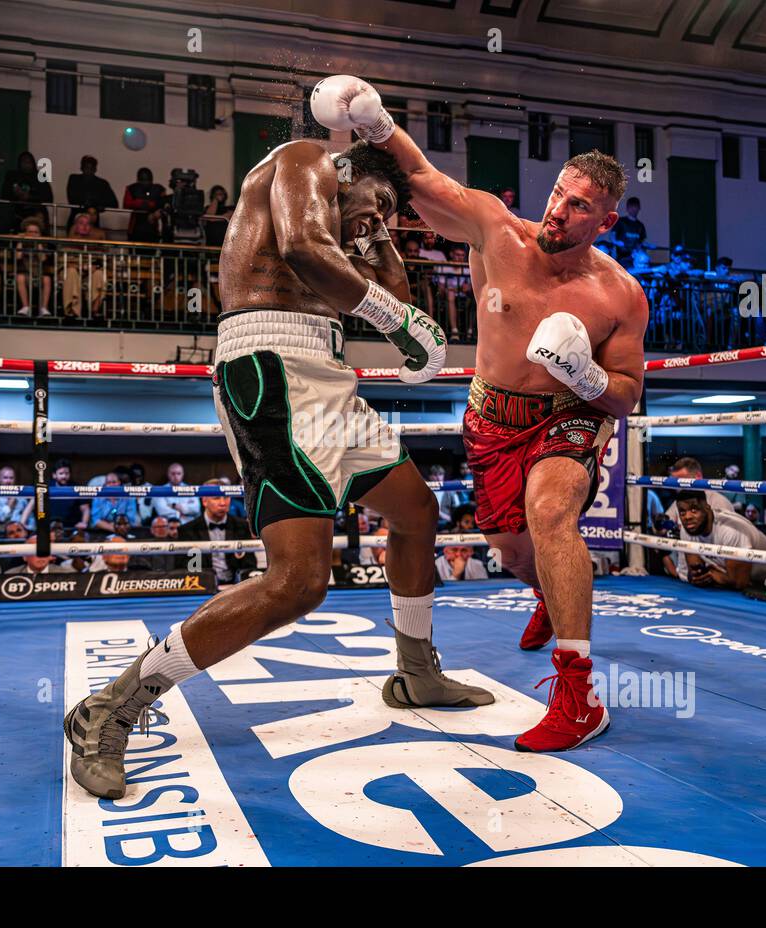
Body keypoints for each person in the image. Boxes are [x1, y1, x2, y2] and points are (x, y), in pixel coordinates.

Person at [64, 135, 489, 801]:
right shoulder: (307, 159)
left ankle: (414, 671)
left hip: (328, 376)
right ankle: (111, 708)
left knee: (417, 511)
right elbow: (301, 247)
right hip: (269, 365)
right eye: (373, 204)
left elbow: (398, 301)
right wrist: (393, 312)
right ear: (350, 173)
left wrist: (380, 236)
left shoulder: (354, 227)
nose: (372, 221)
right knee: (299, 582)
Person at [328, 75, 650, 752]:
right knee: (513, 551)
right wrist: (377, 125)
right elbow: (420, 178)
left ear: (606, 221)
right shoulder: (496, 231)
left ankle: (578, 693)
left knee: (551, 511)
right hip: (491, 420)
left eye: (580, 205)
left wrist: (584, 373)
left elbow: (626, 395)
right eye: (560, 192)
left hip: (569, 413)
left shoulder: (620, 295)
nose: (561, 209)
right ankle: (546, 593)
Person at [667, 490, 766, 589]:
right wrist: (699, 576)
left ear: (707, 507)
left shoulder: (730, 530)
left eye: (694, 510)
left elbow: (740, 582)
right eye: (682, 512)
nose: (687, 517)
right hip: (744, 581)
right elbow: (695, 572)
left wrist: (713, 574)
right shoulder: (689, 529)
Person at [175, 480, 257, 585]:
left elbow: (250, 564)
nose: (223, 503)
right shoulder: (188, 530)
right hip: (202, 587)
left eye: (226, 497)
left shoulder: (241, 526)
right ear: (204, 501)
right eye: (216, 498)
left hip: (236, 587)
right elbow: (183, 569)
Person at [64, 155, 117, 227]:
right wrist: (95, 203)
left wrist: (98, 205)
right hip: (76, 220)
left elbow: (114, 203)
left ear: (95, 169)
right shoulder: (74, 179)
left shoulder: (102, 183)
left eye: (91, 169)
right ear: (81, 168)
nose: (89, 171)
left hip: (93, 223)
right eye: (87, 168)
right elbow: (72, 199)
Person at [611, 196, 646, 267]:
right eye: (631, 206)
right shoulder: (620, 221)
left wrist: (640, 250)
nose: (633, 209)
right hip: (622, 257)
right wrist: (616, 242)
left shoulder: (640, 225)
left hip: (635, 257)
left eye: (635, 206)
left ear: (639, 208)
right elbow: (612, 236)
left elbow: (641, 242)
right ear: (627, 208)